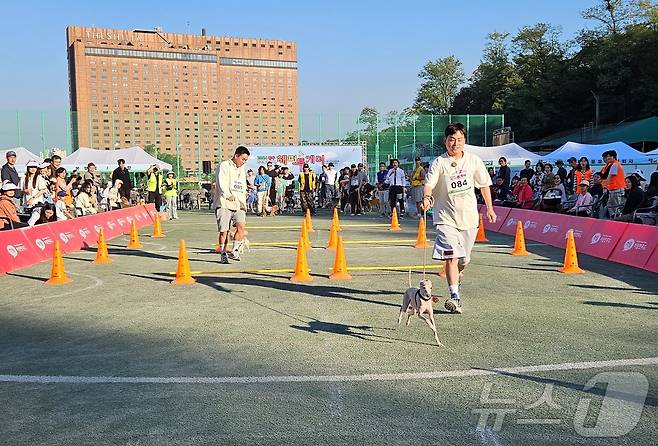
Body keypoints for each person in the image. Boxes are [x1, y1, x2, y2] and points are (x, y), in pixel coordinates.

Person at [421, 123, 496, 314]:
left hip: (469, 218)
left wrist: (489, 208)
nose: (455, 143)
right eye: (451, 139)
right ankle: (455, 296)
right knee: (451, 256)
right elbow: (429, 184)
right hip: (445, 218)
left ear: (465, 141)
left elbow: (484, 185)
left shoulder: (473, 161)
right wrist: (427, 198)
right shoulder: (439, 162)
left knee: (464, 259)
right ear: (445, 141)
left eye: (459, 140)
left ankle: (459, 273)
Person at [214, 146, 250, 264]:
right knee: (224, 231)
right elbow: (221, 181)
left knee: (241, 227)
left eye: (246, 160)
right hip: (224, 203)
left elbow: (242, 183)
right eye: (243, 159)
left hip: (239, 203)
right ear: (236, 156)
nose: (244, 162)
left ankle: (235, 250)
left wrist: (245, 193)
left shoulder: (241, 169)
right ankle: (223, 252)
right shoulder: (224, 165)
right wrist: (227, 194)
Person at [599, 150, 625, 219]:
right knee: (610, 205)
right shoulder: (614, 164)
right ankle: (614, 217)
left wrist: (605, 187)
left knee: (614, 206)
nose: (608, 158)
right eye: (607, 156)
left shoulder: (615, 165)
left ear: (614, 157)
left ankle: (617, 219)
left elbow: (609, 177)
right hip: (614, 189)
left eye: (610, 156)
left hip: (616, 189)